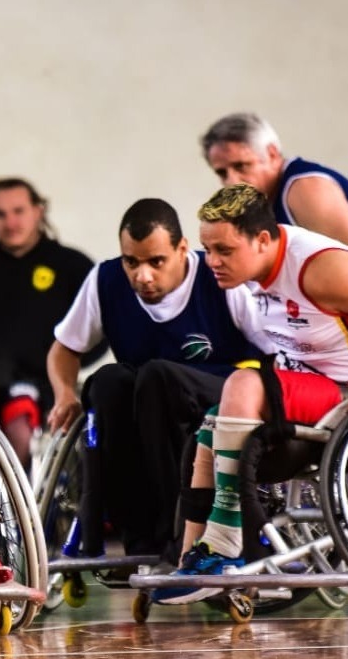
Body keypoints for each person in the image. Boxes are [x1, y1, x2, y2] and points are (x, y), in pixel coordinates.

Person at [156, 183, 348, 604]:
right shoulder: (252, 272)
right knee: (211, 425)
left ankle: (225, 544)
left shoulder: (322, 269)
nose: (212, 261)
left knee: (243, 383)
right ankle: (193, 558)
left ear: (263, 240)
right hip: (321, 393)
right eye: (208, 249)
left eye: (224, 250)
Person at [46, 198, 262, 559]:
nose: (142, 275)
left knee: (157, 376)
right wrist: (65, 393)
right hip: (151, 399)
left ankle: (177, 532)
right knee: (108, 381)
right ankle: (137, 540)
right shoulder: (106, 279)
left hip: (223, 391)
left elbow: (273, 351)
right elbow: (64, 348)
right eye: (131, 262)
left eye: (155, 262)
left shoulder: (221, 279)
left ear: (182, 249)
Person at [0, 178, 94, 468]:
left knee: (19, 421)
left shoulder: (73, 267)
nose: (10, 223)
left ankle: (9, 495)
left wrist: (59, 368)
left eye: (18, 211)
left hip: (39, 386)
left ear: (38, 211)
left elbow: (97, 331)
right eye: (0, 214)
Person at [199, 112, 348, 266]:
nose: (232, 181)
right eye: (222, 173)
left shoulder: (305, 189)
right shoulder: (263, 201)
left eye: (241, 166)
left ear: (272, 153)